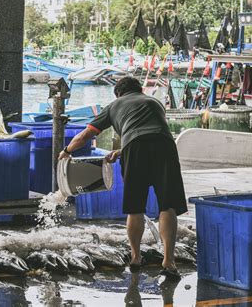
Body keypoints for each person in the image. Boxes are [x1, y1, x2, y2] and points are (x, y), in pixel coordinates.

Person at [59, 76, 187, 279]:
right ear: (140, 90)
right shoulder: (154, 102)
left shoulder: (114, 105)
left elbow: (85, 136)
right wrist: (120, 151)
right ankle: (169, 261)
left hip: (135, 149)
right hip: (165, 146)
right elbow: (149, 131)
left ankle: (136, 258)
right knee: (168, 205)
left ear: (118, 93)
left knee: (135, 207)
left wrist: (66, 151)